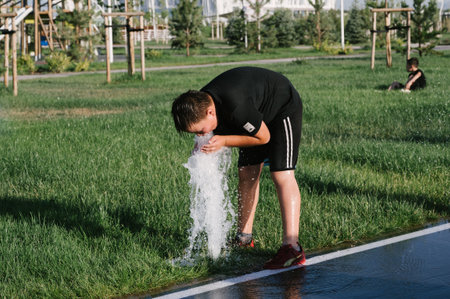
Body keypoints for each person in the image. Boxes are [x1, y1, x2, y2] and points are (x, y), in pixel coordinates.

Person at [171, 66, 305, 269]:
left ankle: (292, 247)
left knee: (281, 174)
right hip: (253, 114)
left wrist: (224, 141)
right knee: (246, 173)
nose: (200, 134)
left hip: (280, 109)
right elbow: (214, 132)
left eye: (200, 131)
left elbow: (263, 137)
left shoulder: (235, 107)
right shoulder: (202, 104)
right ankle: (244, 238)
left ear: (210, 112)